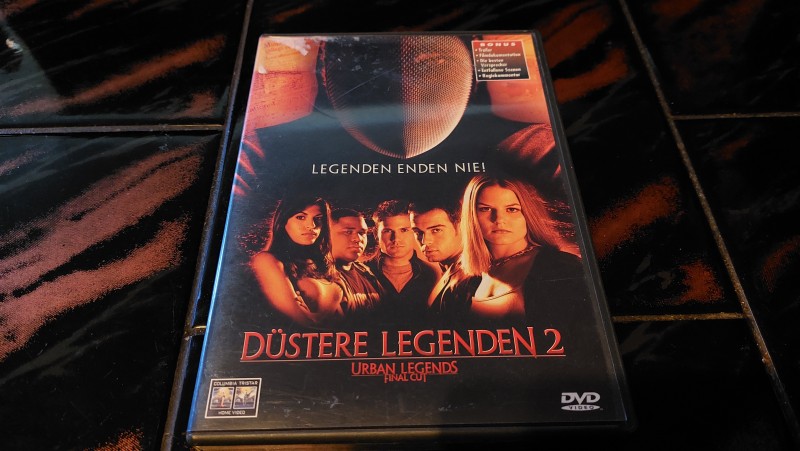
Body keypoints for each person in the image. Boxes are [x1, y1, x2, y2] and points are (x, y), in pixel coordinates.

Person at [460, 173, 586, 323]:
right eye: (485, 209)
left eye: (512, 209)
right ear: (471, 216)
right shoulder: (471, 278)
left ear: (528, 214)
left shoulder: (561, 266)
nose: (499, 219)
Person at [250, 196, 343, 327]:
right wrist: (324, 313)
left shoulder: (321, 264)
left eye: (318, 218)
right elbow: (304, 323)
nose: (312, 226)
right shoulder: (266, 260)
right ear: (283, 222)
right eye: (300, 217)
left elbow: (343, 322)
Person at [368, 200, 438, 323]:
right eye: (387, 231)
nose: (396, 239)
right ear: (376, 235)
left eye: (404, 230)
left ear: (414, 233)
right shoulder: (361, 273)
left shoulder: (431, 274)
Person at [409, 198, 477, 322]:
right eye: (418, 232)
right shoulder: (450, 268)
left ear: (462, 227)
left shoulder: (470, 279)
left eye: (436, 230)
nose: (425, 241)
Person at [330, 208, 385, 322]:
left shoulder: (366, 273)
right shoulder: (318, 277)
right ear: (326, 235)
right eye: (348, 232)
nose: (358, 239)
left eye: (362, 233)